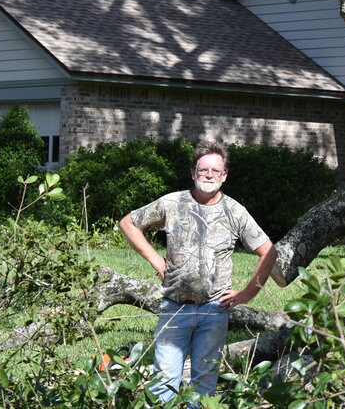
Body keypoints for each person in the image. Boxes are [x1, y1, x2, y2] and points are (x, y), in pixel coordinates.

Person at [118, 140, 278, 404]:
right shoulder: (172, 203)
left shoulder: (234, 211)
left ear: (224, 175)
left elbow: (268, 251)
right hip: (174, 308)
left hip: (214, 311)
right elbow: (129, 223)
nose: (209, 175)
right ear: (193, 173)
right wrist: (157, 260)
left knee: (204, 382)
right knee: (163, 382)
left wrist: (248, 293)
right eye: (204, 170)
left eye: (216, 171)